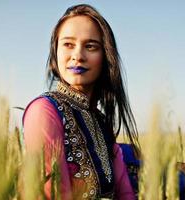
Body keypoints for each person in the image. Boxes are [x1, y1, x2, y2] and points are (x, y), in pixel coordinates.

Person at [23, 4, 140, 199]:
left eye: (91, 46)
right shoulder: (44, 110)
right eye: (68, 44)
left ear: (105, 56)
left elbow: (125, 194)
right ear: (55, 52)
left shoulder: (101, 122)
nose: (77, 55)